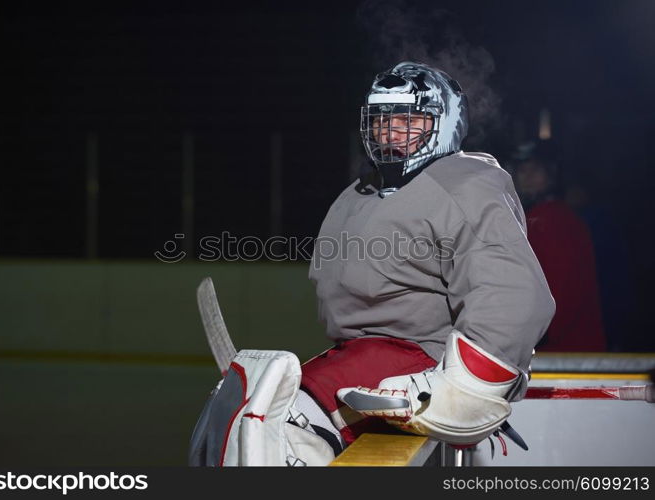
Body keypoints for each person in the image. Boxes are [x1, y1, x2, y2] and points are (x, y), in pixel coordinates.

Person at [189, 61, 555, 466]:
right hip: (360, 359)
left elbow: (514, 293)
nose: (391, 132)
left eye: (408, 120)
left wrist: (471, 387)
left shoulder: (462, 181)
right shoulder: (361, 193)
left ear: (445, 122)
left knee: (281, 432)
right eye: (382, 120)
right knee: (246, 425)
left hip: (418, 362)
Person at [511, 141, 606, 352]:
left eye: (535, 169)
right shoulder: (541, 218)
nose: (526, 177)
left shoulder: (551, 221)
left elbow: (559, 289)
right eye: (522, 170)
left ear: (551, 174)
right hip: (564, 346)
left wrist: (535, 337)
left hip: (561, 351)